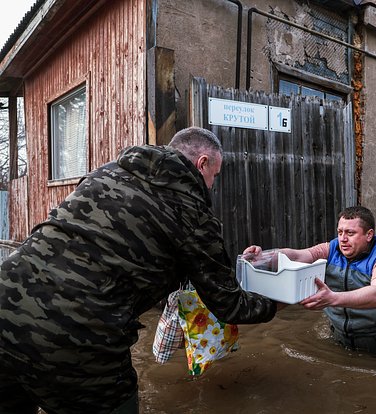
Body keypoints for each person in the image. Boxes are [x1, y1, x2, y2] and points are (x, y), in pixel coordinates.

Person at [0, 127, 281, 414]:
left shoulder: (105, 174)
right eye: (215, 176)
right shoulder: (193, 213)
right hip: (79, 334)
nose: (211, 185)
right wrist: (279, 301)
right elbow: (229, 305)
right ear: (203, 163)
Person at [244, 206, 376, 359]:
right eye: (340, 232)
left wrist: (332, 299)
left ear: (369, 235)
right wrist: (264, 257)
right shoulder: (332, 248)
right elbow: (298, 255)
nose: (343, 239)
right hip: (340, 336)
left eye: (350, 233)